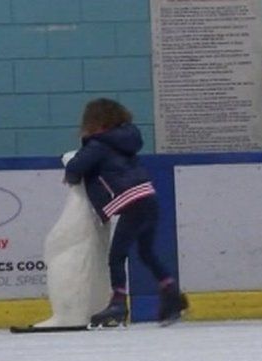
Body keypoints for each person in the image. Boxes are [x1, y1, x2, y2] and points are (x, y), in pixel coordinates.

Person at [63, 98, 188, 327]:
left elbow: (75, 168)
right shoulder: (126, 140)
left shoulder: (97, 145)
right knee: (146, 251)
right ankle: (171, 293)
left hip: (129, 201)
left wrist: (70, 173)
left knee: (117, 255)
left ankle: (118, 303)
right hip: (147, 197)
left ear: (95, 122)